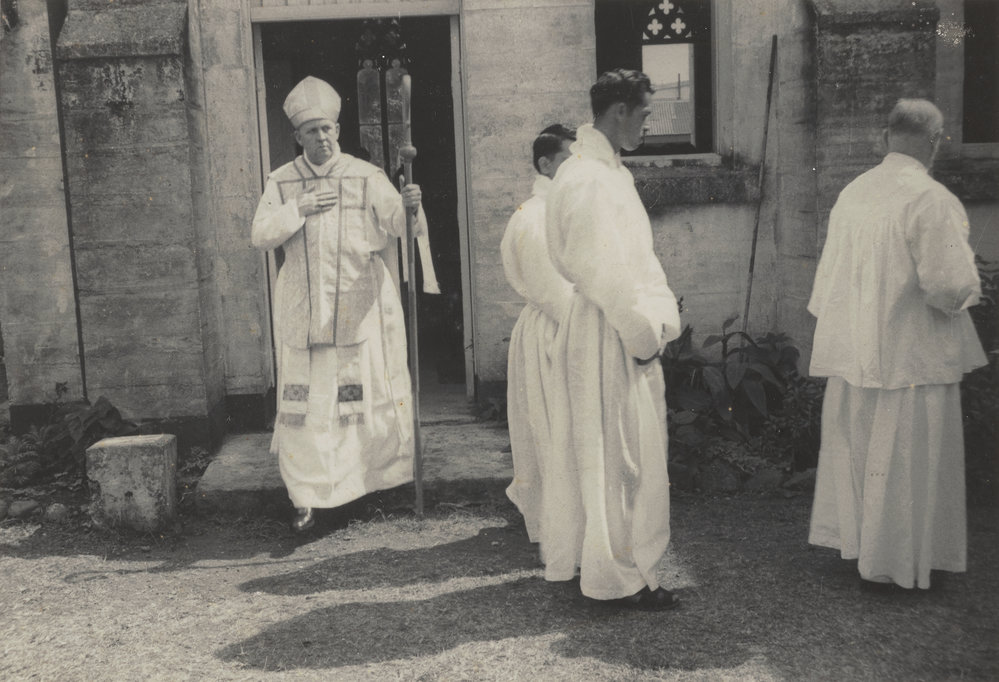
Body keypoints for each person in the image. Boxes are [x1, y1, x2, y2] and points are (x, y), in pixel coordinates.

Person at [807, 98, 987, 589]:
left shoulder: (853, 193)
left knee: (867, 449)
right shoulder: (930, 199)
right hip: (912, 354)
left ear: (886, 137)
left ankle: (867, 550)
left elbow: (826, 285)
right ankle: (899, 562)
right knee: (909, 454)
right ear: (934, 141)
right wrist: (972, 290)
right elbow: (949, 285)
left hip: (858, 351)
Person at [251, 76, 435, 531]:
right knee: (308, 406)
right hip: (305, 309)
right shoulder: (281, 181)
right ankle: (306, 496)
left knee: (356, 399)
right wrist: (301, 208)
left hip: (357, 306)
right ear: (298, 136)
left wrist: (410, 203)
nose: (321, 138)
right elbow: (260, 235)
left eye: (327, 129)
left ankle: (361, 487)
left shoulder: (363, 174)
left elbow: (398, 223)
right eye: (311, 131)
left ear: (338, 130)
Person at [544, 70, 682, 609]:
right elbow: (602, 272)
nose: (649, 124)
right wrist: (643, 335)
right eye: (645, 114)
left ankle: (610, 563)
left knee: (615, 449)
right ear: (619, 111)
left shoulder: (606, 172)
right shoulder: (588, 179)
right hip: (608, 327)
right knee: (616, 453)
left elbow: (634, 260)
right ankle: (616, 576)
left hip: (610, 322)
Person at [501, 124, 576, 544]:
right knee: (551, 429)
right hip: (554, 330)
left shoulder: (565, 208)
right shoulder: (533, 217)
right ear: (545, 164)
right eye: (568, 159)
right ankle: (556, 528)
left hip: (567, 325)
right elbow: (552, 292)